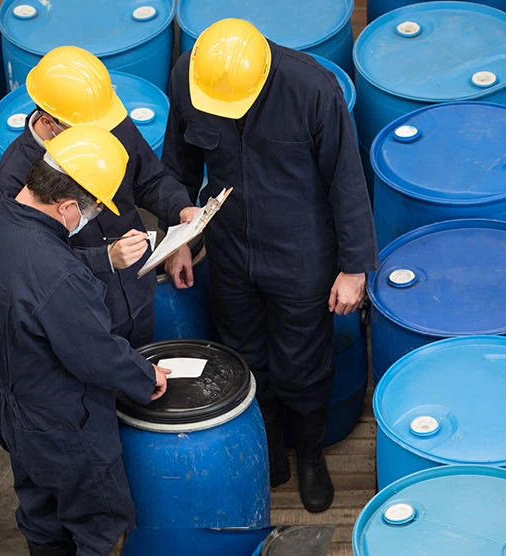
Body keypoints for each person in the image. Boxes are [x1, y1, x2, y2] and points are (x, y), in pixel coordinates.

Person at [161, 19, 376, 513]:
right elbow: (179, 165)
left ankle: (309, 457)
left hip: (302, 251)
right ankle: (270, 450)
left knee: (303, 362)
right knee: (244, 352)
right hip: (230, 246)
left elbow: (347, 180)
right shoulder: (189, 78)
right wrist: (178, 240)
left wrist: (354, 268)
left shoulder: (313, 90)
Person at [0, 126, 174, 556]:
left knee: (40, 513)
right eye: (90, 212)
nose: (88, 220)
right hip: (65, 425)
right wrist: (144, 374)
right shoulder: (61, 276)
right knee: (99, 524)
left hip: (8, 404)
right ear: (68, 205)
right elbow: (95, 354)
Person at [0, 46, 203, 348]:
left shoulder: (106, 123)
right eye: (87, 129)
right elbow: (30, 263)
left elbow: (150, 180)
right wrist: (105, 259)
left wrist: (180, 212)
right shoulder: (15, 176)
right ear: (49, 121)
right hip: (82, 315)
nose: (100, 137)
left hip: (137, 291)